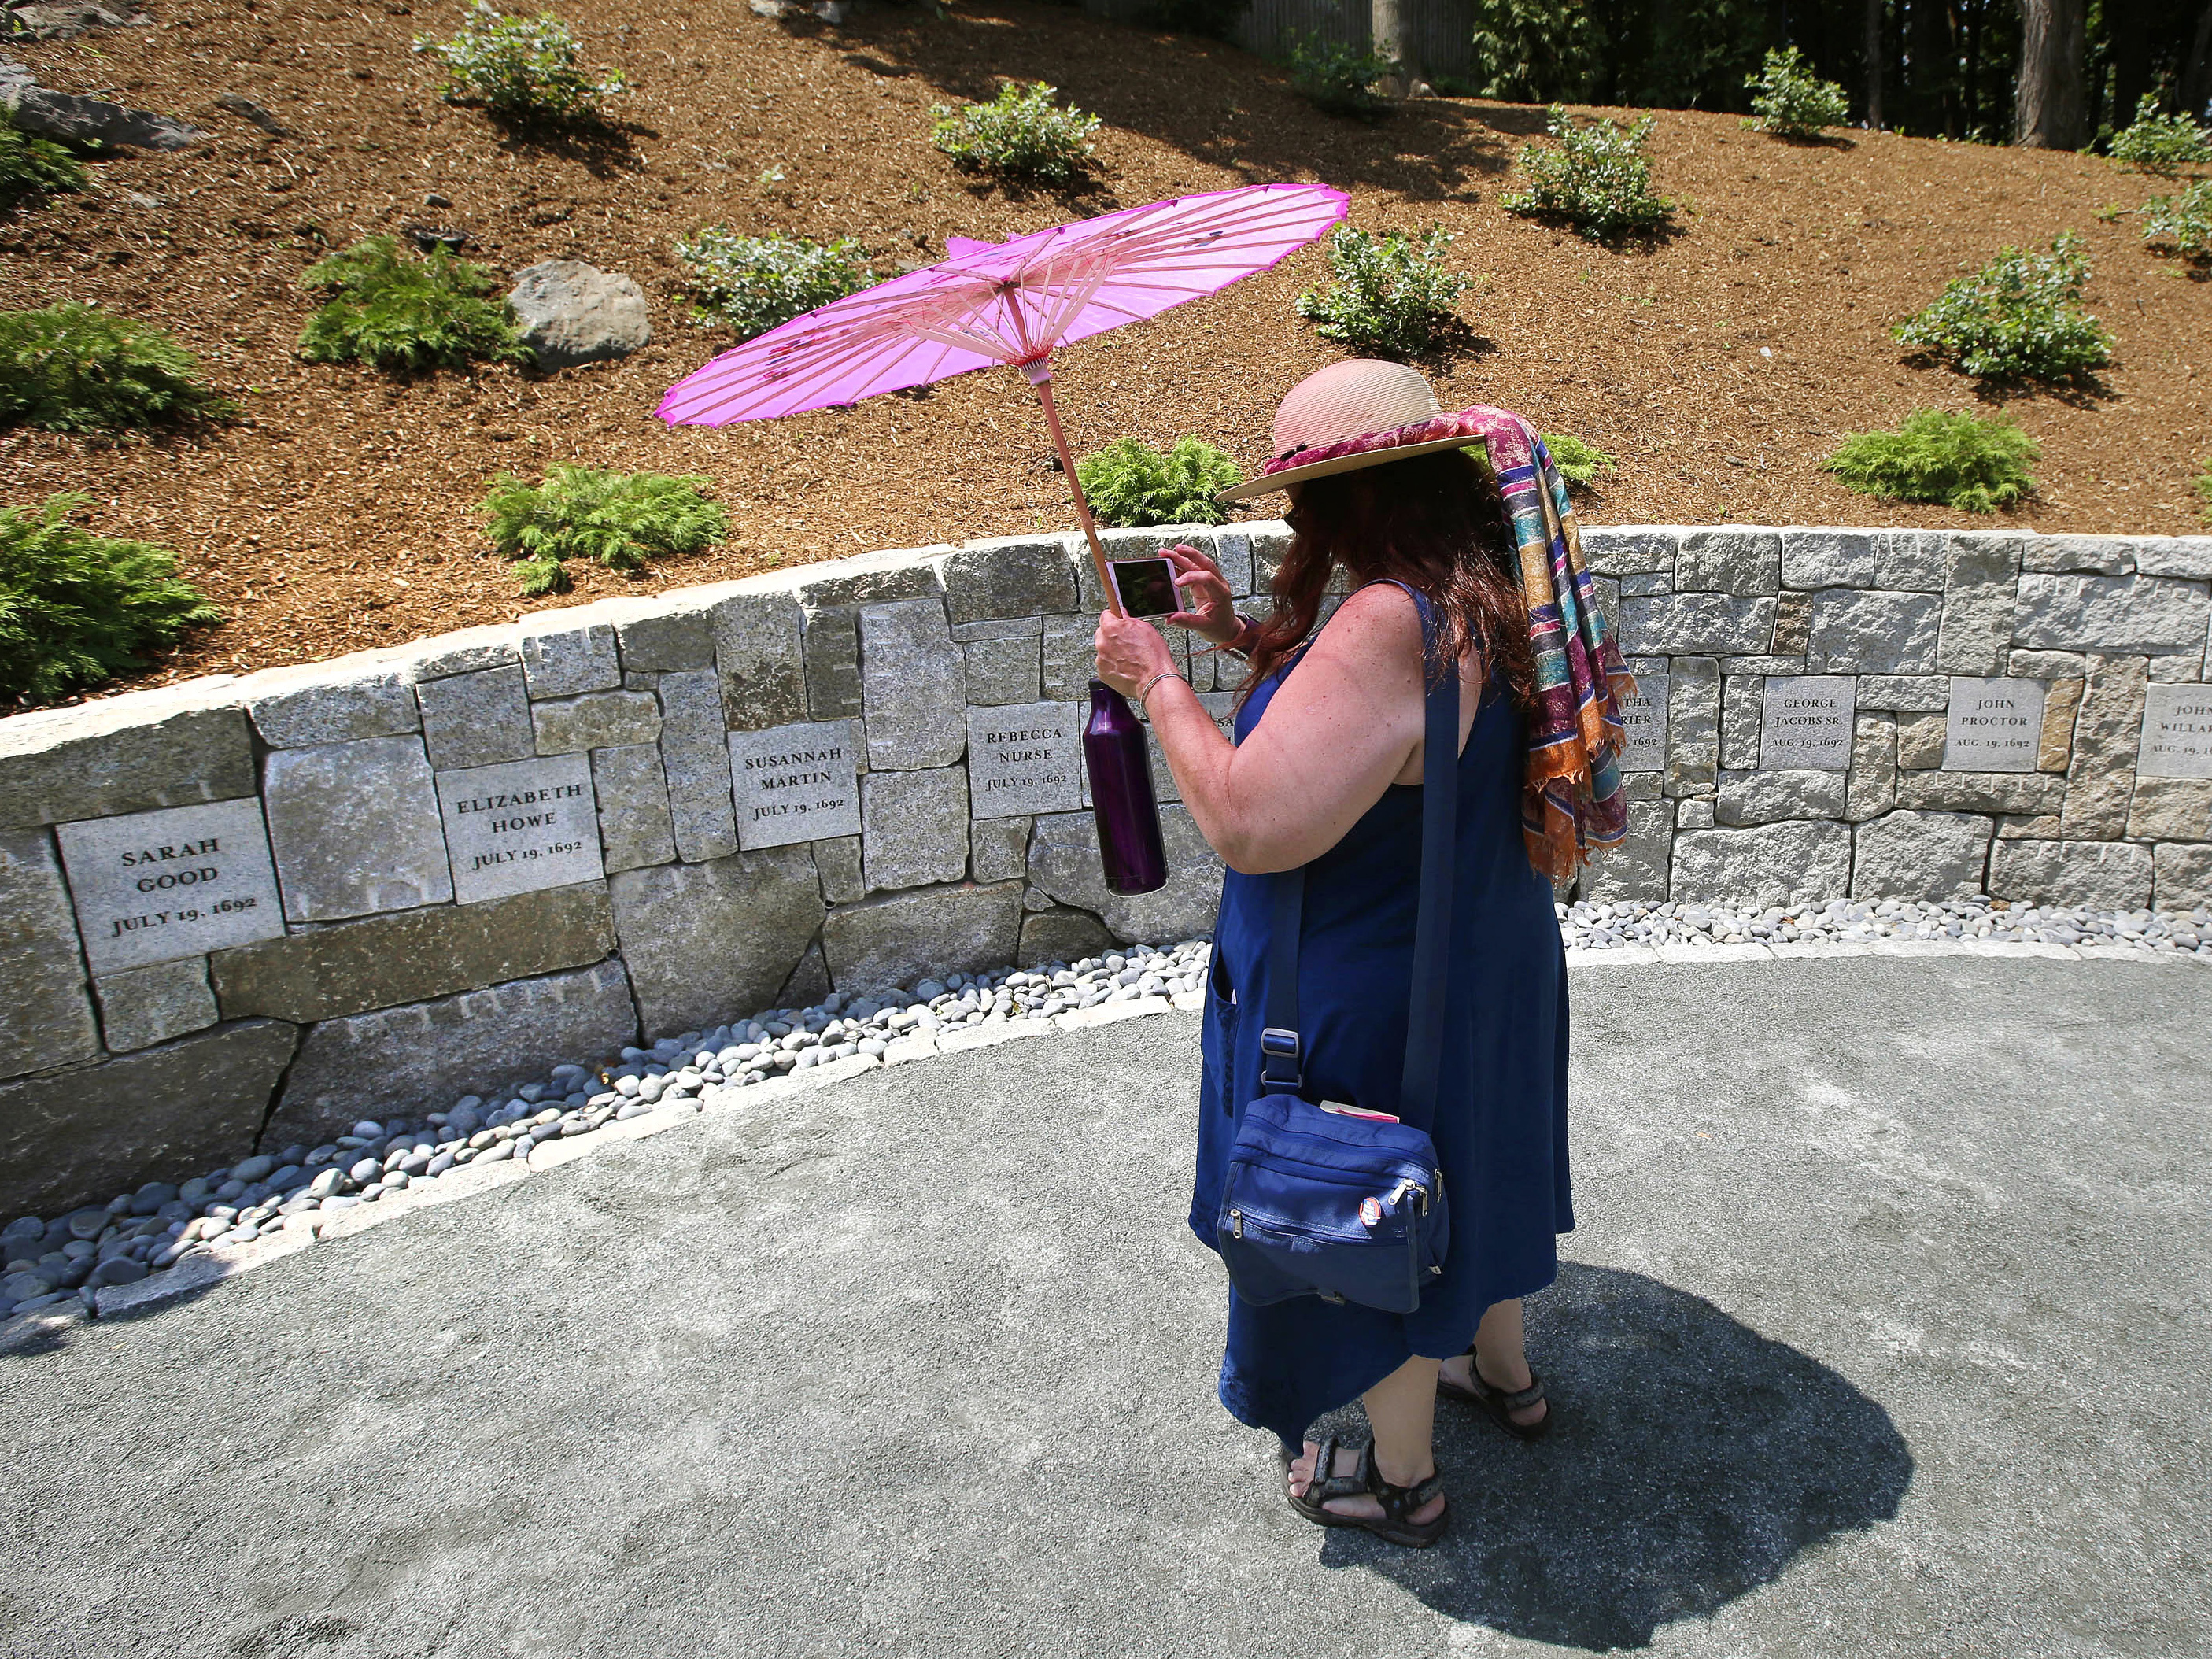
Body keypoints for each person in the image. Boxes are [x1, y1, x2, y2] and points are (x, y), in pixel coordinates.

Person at [1091, 359, 1631, 1549]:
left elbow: (1251, 821)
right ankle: (1501, 1372)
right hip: (1481, 961)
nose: (1296, 521)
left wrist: (1159, 682)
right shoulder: (1486, 587)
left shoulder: (1387, 620)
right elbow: (1383, 737)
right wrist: (1236, 634)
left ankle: (1399, 1479)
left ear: (1347, 497)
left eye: (1302, 499)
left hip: (1378, 987)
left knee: (1369, 1214)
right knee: (1468, 1163)